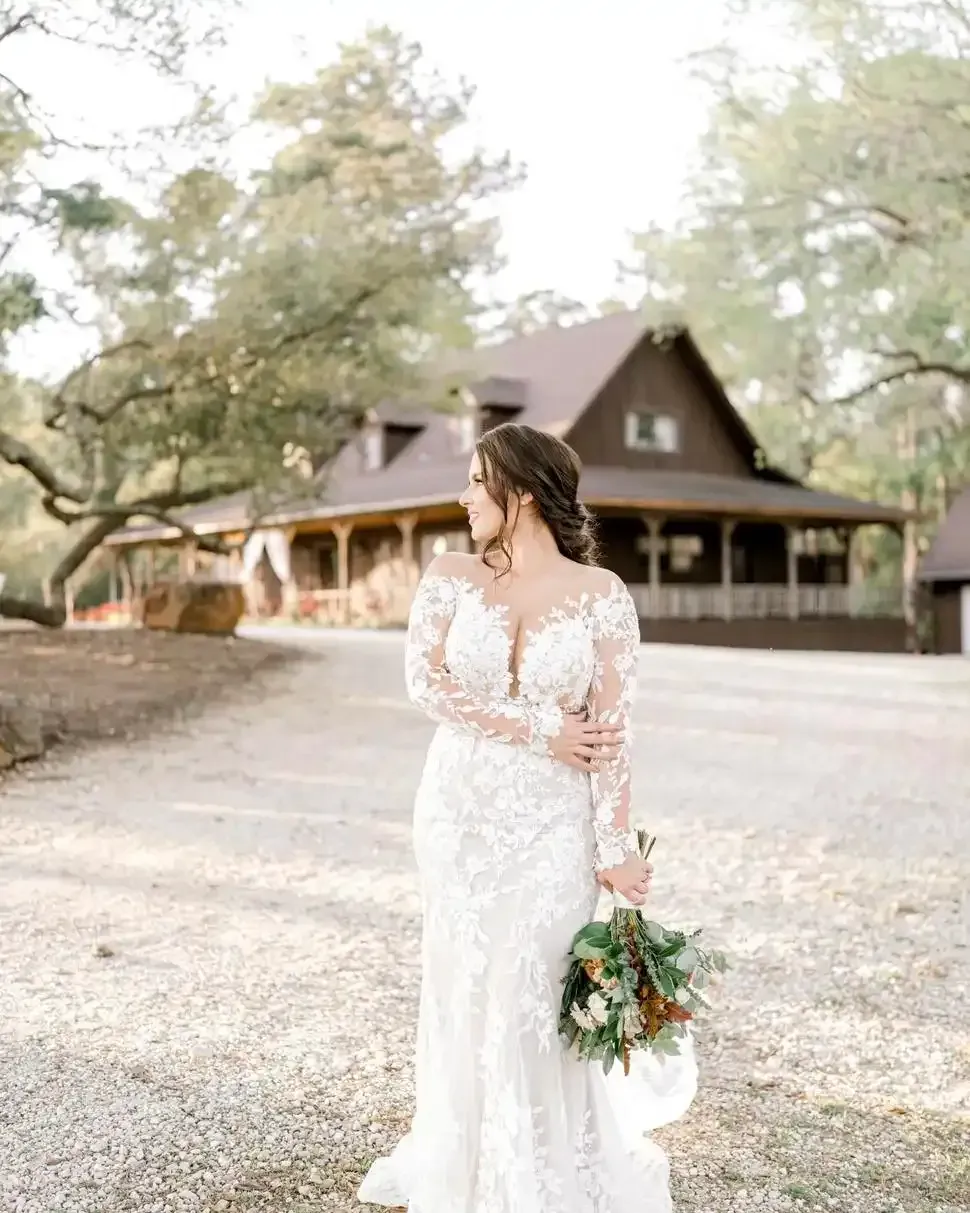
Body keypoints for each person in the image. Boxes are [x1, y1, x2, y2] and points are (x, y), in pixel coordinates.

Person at [358, 423, 697, 1213]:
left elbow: (612, 734)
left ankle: (538, 1171)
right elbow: (427, 685)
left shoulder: (602, 597)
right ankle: (464, 1164)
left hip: (552, 824)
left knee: (532, 987)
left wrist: (615, 847)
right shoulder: (448, 576)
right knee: (466, 982)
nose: (464, 497)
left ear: (525, 493)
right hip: (457, 813)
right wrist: (541, 727)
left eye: (478, 481)